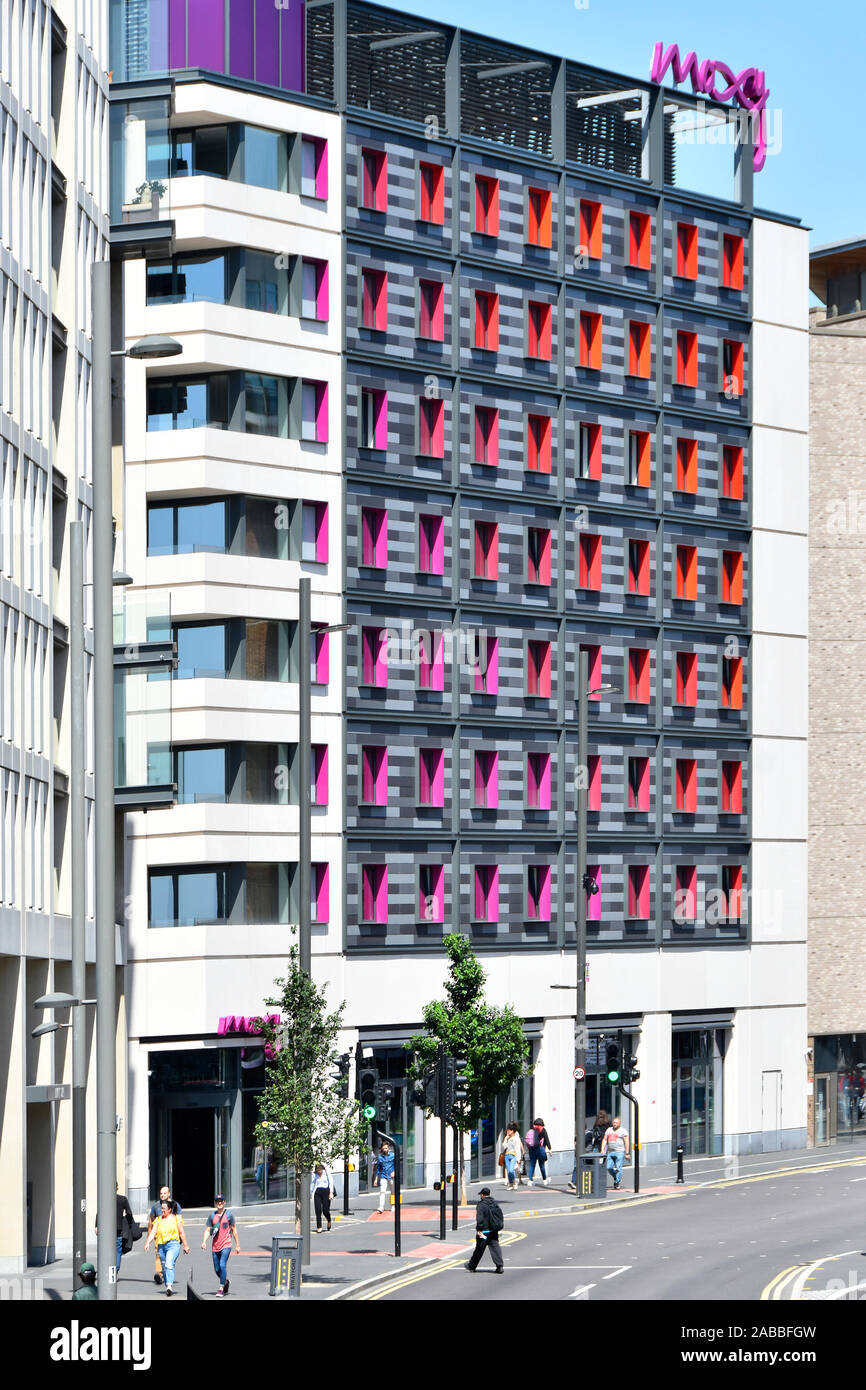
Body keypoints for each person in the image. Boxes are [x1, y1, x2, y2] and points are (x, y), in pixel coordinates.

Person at [144, 1196, 189, 1295]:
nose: (162, 1210)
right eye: (161, 1208)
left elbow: (181, 1232)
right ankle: (167, 1282)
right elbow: (153, 1232)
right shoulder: (158, 1219)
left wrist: (186, 1245)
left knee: (169, 1264)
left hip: (173, 1244)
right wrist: (148, 1242)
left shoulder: (176, 1218)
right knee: (164, 1266)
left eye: (164, 1208)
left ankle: (169, 1286)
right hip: (161, 1246)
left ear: (169, 1209)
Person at [201, 1194, 240, 1297]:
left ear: (224, 1202)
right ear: (215, 1203)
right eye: (218, 1201)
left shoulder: (229, 1215)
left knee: (222, 1264)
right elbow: (208, 1230)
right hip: (215, 1246)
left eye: (221, 1201)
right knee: (217, 1269)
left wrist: (237, 1245)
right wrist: (204, 1242)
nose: (220, 1203)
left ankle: (221, 1288)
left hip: (226, 1244)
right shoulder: (212, 1216)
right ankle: (226, 1282)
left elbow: (234, 1230)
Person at [569, 1108, 611, 1192]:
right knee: (592, 1165)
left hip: (599, 1146)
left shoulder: (601, 1126)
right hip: (597, 1146)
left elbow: (584, 1141)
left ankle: (591, 1181)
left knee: (593, 1165)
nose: (600, 1118)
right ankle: (577, 1182)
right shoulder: (600, 1125)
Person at [464, 1186, 504, 1274]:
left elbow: (480, 1218)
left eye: (481, 1195)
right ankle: (499, 1266)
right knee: (495, 1248)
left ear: (482, 1195)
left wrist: (479, 1229)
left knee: (479, 1249)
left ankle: (472, 1266)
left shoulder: (481, 1205)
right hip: (493, 1230)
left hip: (484, 1231)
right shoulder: (494, 1203)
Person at [148, 1185, 182, 1286]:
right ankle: (160, 1274)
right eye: (161, 1193)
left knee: (169, 1259)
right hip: (159, 1236)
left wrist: (180, 1235)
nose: (162, 1195)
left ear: (169, 1194)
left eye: (164, 1193)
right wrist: (150, 1234)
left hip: (172, 1237)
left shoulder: (175, 1205)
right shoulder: (156, 1206)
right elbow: (151, 1220)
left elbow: (179, 1221)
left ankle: (168, 1272)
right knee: (158, 1255)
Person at [601, 1115, 630, 1190]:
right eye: (614, 1122)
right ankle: (615, 1176)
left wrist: (627, 1153)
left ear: (619, 1123)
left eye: (616, 1123)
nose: (614, 1124)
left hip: (619, 1152)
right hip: (610, 1152)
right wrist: (602, 1149)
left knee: (618, 1168)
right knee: (609, 1167)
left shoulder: (623, 1131)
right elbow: (604, 1139)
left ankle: (617, 1182)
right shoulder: (609, 1130)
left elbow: (626, 1142)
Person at [525, 1117, 553, 1186]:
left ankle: (530, 1180)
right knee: (542, 1165)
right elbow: (546, 1139)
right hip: (540, 1149)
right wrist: (549, 1149)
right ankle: (544, 1180)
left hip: (532, 1149)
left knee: (532, 1165)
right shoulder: (543, 1130)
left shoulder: (532, 1129)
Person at [310, 1163, 336, 1231]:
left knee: (325, 1210)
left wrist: (331, 1192)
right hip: (318, 1192)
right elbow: (312, 1183)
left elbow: (331, 1182)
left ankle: (329, 1220)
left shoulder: (326, 1173)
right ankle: (319, 1227)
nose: (319, 1171)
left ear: (322, 1169)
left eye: (320, 1170)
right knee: (318, 1210)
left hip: (326, 1191)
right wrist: (310, 1192)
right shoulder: (315, 1174)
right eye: (317, 1170)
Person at [373, 1140, 395, 1213]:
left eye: (386, 1148)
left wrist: (394, 1171)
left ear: (388, 1148)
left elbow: (396, 1164)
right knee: (382, 1191)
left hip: (391, 1176)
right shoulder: (380, 1157)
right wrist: (376, 1179)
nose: (385, 1150)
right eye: (383, 1148)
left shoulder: (393, 1155)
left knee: (393, 1191)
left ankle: (393, 1205)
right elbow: (378, 1168)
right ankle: (381, 1207)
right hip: (383, 1176)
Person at [501, 1123, 524, 1190]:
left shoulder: (516, 1138)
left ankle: (513, 1182)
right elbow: (504, 1147)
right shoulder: (508, 1138)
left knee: (511, 1170)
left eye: (509, 1130)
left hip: (513, 1156)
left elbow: (517, 1148)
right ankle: (512, 1184)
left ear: (512, 1131)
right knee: (509, 1171)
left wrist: (518, 1158)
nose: (507, 1131)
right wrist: (505, 1139)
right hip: (507, 1155)